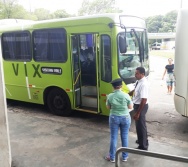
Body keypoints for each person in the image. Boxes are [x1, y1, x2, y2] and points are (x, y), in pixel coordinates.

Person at [105, 78, 133, 163]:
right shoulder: (126, 95)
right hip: (125, 118)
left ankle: (112, 157)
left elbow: (108, 107)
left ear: (113, 87)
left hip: (114, 118)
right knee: (124, 137)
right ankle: (125, 157)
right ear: (121, 86)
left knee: (113, 137)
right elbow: (130, 107)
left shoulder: (110, 96)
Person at [129, 67, 149, 150]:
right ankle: (143, 140)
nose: (135, 74)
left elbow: (144, 99)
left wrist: (138, 113)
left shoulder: (144, 84)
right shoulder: (139, 81)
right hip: (137, 105)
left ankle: (143, 146)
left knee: (140, 126)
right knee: (140, 125)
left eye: (137, 73)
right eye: (135, 73)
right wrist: (128, 94)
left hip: (141, 106)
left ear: (142, 74)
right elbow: (135, 89)